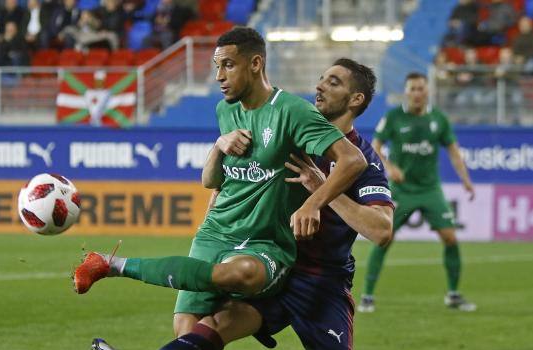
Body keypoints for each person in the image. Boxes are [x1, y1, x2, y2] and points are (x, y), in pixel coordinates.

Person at [87, 57, 391, 350]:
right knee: (207, 332)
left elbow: (381, 230)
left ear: (357, 99)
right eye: (321, 76)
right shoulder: (290, 126)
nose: (319, 85)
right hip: (271, 267)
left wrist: (321, 192)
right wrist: (222, 152)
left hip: (320, 284)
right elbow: (230, 179)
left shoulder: (363, 160)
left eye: (333, 81)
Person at [73, 27, 366, 303]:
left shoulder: (291, 111)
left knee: (237, 280)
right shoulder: (224, 109)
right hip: (216, 231)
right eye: (216, 66)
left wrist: (313, 203)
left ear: (255, 64)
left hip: (264, 241)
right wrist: (218, 146)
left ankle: (114, 264)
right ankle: (109, 274)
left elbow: (352, 160)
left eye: (227, 65)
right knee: (187, 336)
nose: (218, 76)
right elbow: (211, 181)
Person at [358, 72, 477, 313]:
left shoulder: (438, 120)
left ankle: (453, 294)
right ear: (406, 92)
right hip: (402, 191)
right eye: (412, 88)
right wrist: (390, 167)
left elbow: (453, 151)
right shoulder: (393, 118)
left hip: (430, 189)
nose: (417, 93)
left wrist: (466, 180)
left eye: (421, 88)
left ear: (427, 91)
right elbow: (374, 148)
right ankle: (367, 296)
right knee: (384, 240)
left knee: (450, 238)